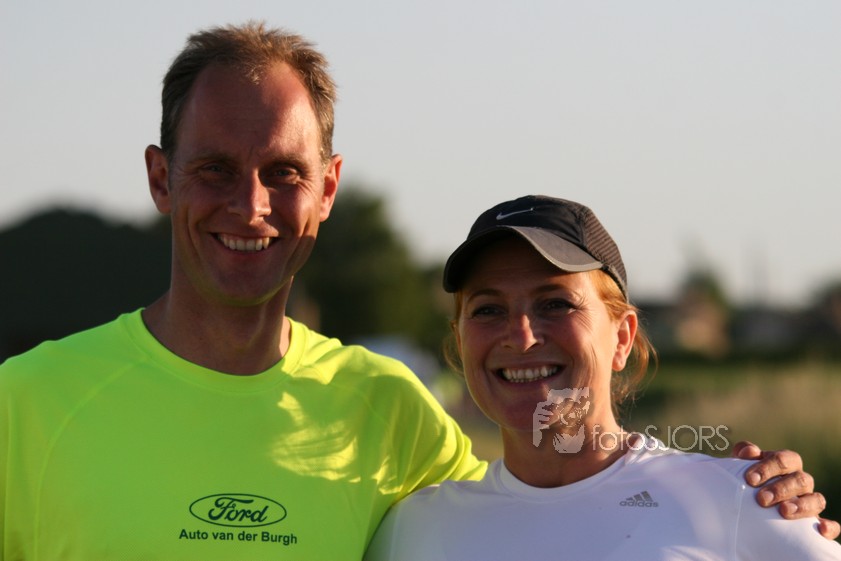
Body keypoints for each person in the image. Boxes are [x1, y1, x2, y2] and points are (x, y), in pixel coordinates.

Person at [0, 23, 835, 561]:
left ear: (327, 190)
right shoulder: (25, 403)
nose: (250, 205)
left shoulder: (389, 410)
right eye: (215, 169)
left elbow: (558, 491)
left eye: (283, 172)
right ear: (160, 178)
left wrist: (755, 497)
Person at [364, 194, 841, 560]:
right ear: (459, 340)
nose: (521, 337)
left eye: (555, 304)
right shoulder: (412, 529)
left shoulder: (738, 503)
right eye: (488, 309)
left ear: (623, 337)